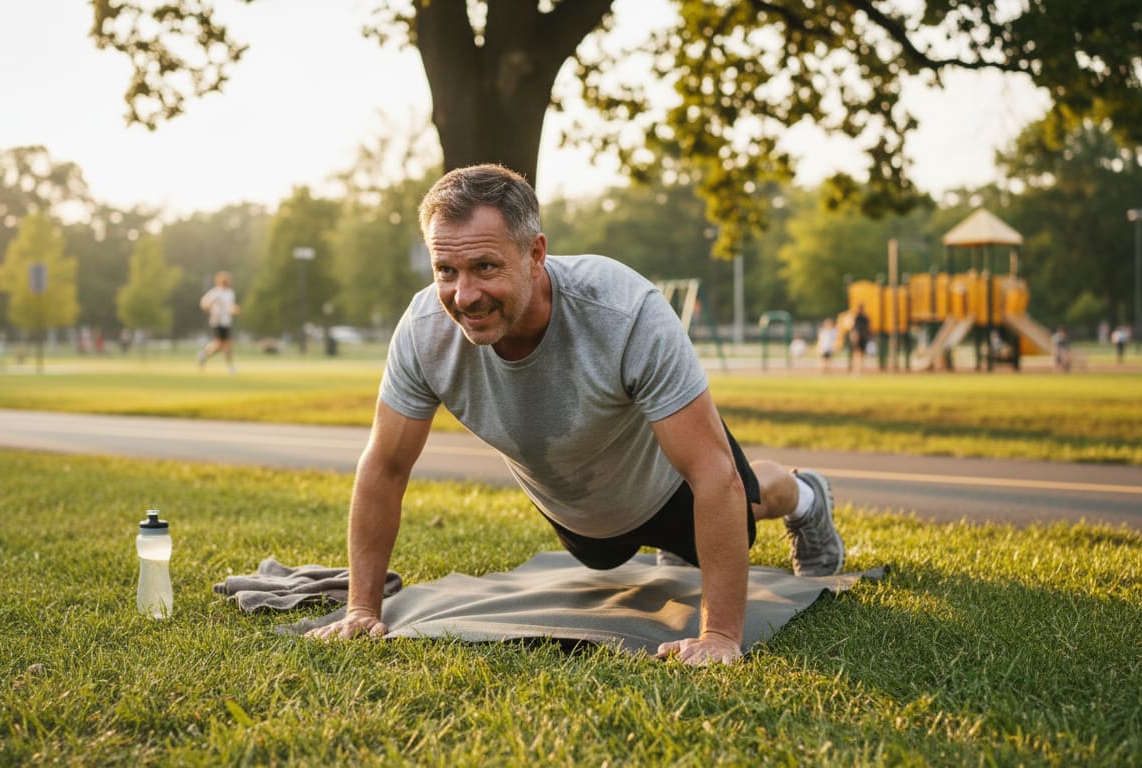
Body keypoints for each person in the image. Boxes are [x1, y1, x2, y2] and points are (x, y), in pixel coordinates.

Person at [306, 165, 845, 667]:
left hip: (668, 479)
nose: (463, 295)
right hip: (582, 511)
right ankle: (672, 549)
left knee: (744, 502)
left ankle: (805, 495)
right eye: (446, 269)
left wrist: (721, 636)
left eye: (485, 267)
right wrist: (361, 608)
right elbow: (385, 467)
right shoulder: (424, 332)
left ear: (536, 253)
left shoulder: (622, 310)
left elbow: (711, 474)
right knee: (604, 557)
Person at [197, 271, 239, 373]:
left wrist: (234, 309)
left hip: (227, 322)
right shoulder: (216, 292)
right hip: (218, 322)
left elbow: (230, 306)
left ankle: (204, 355)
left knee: (219, 345)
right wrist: (209, 308)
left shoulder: (230, 293)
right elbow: (204, 302)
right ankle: (230, 368)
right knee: (227, 344)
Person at [849, 304, 870, 373]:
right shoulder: (855, 317)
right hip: (857, 337)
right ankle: (856, 368)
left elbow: (867, 327)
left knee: (861, 353)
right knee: (856, 352)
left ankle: (860, 367)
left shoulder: (865, 317)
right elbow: (852, 327)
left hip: (863, 337)